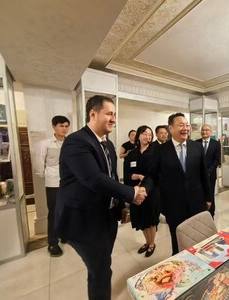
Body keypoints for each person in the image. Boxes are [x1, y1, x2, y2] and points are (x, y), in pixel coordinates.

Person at [55, 95, 146, 300]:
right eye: (109, 114)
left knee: (103, 264)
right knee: (101, 272)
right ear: (93, 113)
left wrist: (121, 205)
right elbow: (93, 179)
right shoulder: (76, 141)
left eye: (115, 114)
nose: (114, 118)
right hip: (84, 221)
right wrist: (131, 193)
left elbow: (111, 177)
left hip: (106, 217)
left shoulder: (108, 145)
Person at [142, 112, 211, 255]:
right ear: (171, 128)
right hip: (173, 203)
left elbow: (204, 174)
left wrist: (209, 198)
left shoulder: (197, 147)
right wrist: (144, 188)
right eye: (181, 125)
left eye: (187, 125)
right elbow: (152, 174)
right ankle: (179, 260)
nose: (185, 128)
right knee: (176, 235)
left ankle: (198, 258)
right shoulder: (161, 150)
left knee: (197, 234)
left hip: (196, 200)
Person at [35, 115, 70, 257]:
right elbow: (39, 164)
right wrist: (48, 175)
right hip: (53, 182)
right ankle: (52, 243)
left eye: (67, 126)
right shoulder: (46, 143)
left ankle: (64, 235)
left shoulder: (70, 142)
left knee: (67, 210)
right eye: (61, 125)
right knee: (54, 213)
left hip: (68, 182)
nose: (64, 129)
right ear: (54, 126)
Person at [125, 125, 160, 256]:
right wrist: (138, 177)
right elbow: (127, 173)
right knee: (141, 218)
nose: (148, 136)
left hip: (151, 191)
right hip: (136, 190)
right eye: (145, 133)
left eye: (150, 134)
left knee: (151, 218)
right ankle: (147, 242)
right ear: (138, 135)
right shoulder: (132, 154)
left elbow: (156, 173)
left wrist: (144, 182)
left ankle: (152, 243)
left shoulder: (156, 151)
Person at [196, 124, 221, 217]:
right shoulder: (196, 143)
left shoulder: (216, 143)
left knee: (210, 194)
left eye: (206, 130)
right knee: (199, 194)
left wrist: (208, 171)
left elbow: (217, 160)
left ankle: (211, 214)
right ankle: (200, 213)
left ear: (211, 132)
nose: (204, 132)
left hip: (210, 175)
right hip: (198, 175)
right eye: (202, 130)